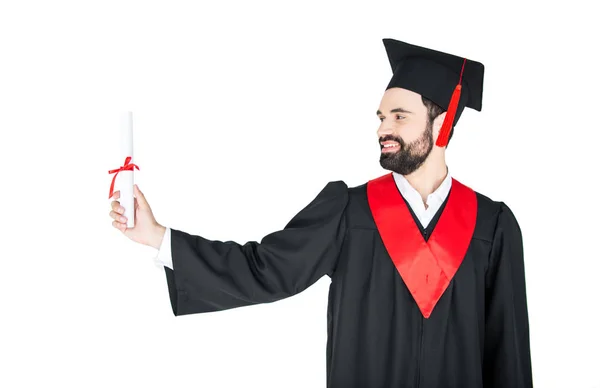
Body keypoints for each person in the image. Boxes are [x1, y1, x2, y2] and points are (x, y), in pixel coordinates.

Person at [109, 38, 533, 387]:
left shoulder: (492, 226)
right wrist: (158, 237)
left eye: (399, 117)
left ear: (442, 125)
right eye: (382, 116)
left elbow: (508, 357)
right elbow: (265, 270)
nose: (383, 129)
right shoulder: (348, 212)